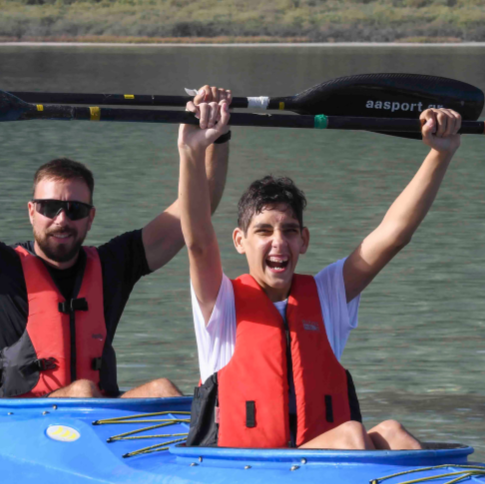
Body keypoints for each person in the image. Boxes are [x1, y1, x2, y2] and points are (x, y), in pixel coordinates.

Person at [0, 86, 232, 399]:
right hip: (13, 420)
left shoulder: (113, 267)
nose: (62, 220)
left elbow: (199, 210)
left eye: (74, 210)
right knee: (83, 390)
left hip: (94, 423)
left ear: (90, 217)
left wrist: (214, 138)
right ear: (31, 212)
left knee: (162, 389)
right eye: (49, 208)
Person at [179, 96, 462, 449]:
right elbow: (198, 243)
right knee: (354, 434)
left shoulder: (327, 295)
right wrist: (191, 151)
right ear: (240, 241)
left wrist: (440, 153)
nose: (279, 242)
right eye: (264, 231)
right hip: (246, 469)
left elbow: (393, 236)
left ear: (304, 241)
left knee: (393, 433)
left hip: (315, 466)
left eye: (290, 231)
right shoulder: (219, 304)